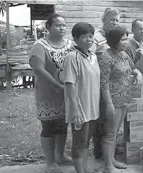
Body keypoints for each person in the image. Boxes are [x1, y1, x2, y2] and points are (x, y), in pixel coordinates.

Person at [29, 13, 73, 173]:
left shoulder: (70, 45)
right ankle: (50, 162)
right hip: (48, 94)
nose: (62, 28)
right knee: (48, 127)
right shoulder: (39, 46)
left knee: (62, 125)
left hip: (66, 94)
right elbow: (39, 70)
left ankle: (60, 155)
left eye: (64, 25)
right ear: (48, 27)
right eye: (58, 25)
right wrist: (58, 86)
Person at [98, 26, 143, 173]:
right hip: (113, 100)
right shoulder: (106, 57)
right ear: (114, 40)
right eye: (123, 39)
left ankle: (112, 160)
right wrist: (109, 104)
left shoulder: (123, 54)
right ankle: (108, 166)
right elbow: (103, 83)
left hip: (124, 98)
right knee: (110, 133)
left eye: (126, 39)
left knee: (116, 131)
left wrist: (138, 73)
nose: (125, 42)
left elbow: (132, 67)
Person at [63, 22, 100, 173]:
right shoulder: (72, 57)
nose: (89, 39)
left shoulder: (93, 56)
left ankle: (85, 168)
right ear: (75, 39)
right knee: (79, 143)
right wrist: (75, 110)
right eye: (84, 37)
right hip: (80, 109)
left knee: (86, 141)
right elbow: (70, 84)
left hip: (92, 108)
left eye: (91, 36)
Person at [90, 7, 120, 161]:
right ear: (104, 20)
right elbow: (89, 59)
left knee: (110, 122)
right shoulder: (96, 38)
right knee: (101, 121)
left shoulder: (114, 37)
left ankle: (109, 153)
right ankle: (100, 154)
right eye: (112, 19)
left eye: (117, 20)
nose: (114, 22)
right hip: (100, 85)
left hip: (114, 87)